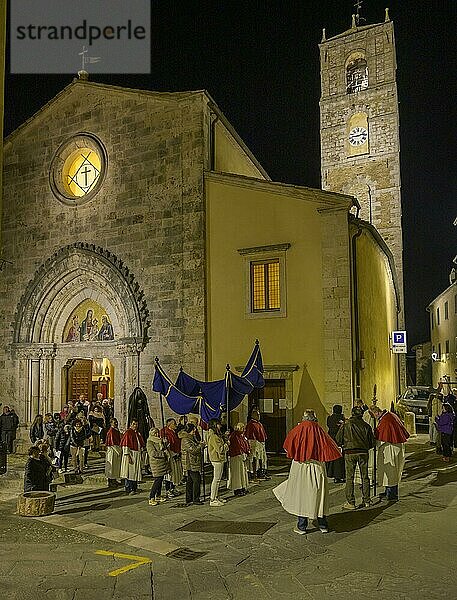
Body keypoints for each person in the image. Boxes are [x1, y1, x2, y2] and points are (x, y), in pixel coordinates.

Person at [273, 409, 341, 534]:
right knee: (319, 495)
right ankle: (323, 524)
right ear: (315, 418)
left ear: (304, 417)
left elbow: (288, 447)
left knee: (301, 494)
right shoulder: (319, 430)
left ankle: (302, 526)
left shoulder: (297, 430)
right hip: (317, 465)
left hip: (301, 465)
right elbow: (328, 447)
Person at [336, 406, 375, 509]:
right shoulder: (366, 426)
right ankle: (367, 500)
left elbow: (338, 439)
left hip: (350, 452)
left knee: (349, 477)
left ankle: (351, 502)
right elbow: (372, 442)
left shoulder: (346, 425)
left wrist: (345, 444)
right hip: (363, 453)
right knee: (365, 477)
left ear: (352, 413)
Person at [370, 404, 410, 501]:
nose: (374, 418)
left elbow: (383, 436)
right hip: (392, 446)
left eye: (374, 416)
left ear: (376, 412)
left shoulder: (386, 420)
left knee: (391, 471)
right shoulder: (389, 415)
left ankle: (392, 494)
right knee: (389, 471)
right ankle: (388, 490)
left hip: (390, 447)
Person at [179, 422, 206, 505]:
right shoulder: (186, 439)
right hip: (190, 462)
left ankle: (189, 498)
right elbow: (193, 450)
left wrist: (201, 444)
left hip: (193, 461)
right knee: (196, 480)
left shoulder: (191, 437)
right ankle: (195, 499)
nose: (195, 430)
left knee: (190, 481)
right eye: (194, 428)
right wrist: (201, 445)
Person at [146, 427, 172, 505]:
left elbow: (163, 448)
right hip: (156, 464)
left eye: (157, 432)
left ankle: (158, 495)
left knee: (160, 479)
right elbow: (152, 453)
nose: (157, 434)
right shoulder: (150, 442)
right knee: (157, 480)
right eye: (155, 433)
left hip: (162, 463)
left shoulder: (159, 440)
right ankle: (151, 497)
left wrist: (165, 443)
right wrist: (163, 454)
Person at [207, 418, 229, 507]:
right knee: (216, 479)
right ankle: (213, 499)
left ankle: (216, 496)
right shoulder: (214, 437)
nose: (220, 426)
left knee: (218, 480)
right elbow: (220, 449)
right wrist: (227, 444)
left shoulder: (217, 435)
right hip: (217, 459)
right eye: (219, 424)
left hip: (218, 459)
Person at [120, 419, 144, 494]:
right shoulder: (128, 433)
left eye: (136, 424)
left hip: (136, 454)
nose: (135, 426)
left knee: (135, 472)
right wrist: (128, 456)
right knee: (129, 473)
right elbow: (126, 445)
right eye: (134, 424)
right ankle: (129, 489)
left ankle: (134, 488)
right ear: (130, 424)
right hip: (131, 454)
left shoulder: (136, 433)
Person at [160, 418, 183, 492]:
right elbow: (166, 446)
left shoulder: (174, 432)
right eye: (174, 424)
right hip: (170, 455)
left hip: (176, 454)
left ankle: (173, 488)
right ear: (169, 424)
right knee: (170, 474)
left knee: (175, 473)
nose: (175, 425)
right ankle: (168, 490)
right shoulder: (165, 432)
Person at [228, 423, 250, 496]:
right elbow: (237, 446)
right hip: (236, 456)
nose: (244, 430)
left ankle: (243, 487)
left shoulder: (242, 435)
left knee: (242, 473)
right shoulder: (234, 436)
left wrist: (247, 451)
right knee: (237, 474)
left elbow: (245, 444)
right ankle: (237, 489)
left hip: (241, 456)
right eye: (242, 428)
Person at [245, 410, 268, 480]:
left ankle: (262, 472)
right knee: (255, 459)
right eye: (257, 415)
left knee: (262, 458)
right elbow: (250, 436)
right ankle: (254, 474)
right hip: (255, 443)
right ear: (253, 415)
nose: (259, 416)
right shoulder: (251, 424)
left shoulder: (258, 423)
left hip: (260, 444)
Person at [326, 404, 346, 483]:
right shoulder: (340, 419)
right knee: (339, 459)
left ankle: (333, 475)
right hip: (339, 440)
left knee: (332, 458)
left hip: (331, 439)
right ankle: (340, 475)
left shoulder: (330, 418)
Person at [105, 418, 122, 487]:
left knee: (115, 466)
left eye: (116, 422)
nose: (116, 424)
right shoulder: (111, 431)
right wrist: (118, 451)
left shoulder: (116, 430)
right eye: (114, 422)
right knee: (111, 466)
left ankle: (114, 479)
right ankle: (110, 481)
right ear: (111, 423)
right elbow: (112, 442)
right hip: (112, 450)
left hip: (116, 449)